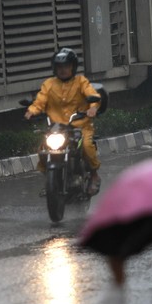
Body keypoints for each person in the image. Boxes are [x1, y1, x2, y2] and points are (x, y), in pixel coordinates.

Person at [24, 47, 103, 196]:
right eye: (59, 67)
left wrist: (92, 108)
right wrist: (32, 111)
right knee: (43, 149)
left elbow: (92, 95)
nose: (63, 70)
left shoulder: (81, 81)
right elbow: (40, 101)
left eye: (66, 66)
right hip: (56, 128)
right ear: (55, 68)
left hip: (80, 126)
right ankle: (50, 180)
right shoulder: (49, 84)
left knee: (86, 146)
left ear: (73, 67)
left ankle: (94, 175)